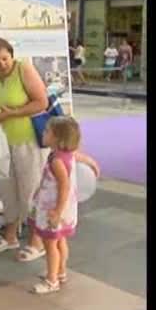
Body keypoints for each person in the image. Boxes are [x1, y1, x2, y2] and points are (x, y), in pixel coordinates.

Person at [0, 37, 49, 262]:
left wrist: (12, 113)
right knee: (7, 190)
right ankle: (10, 235)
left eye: (5, 58)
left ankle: (38, 241)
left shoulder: (23, 69)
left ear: (11, 55)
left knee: (31, 190)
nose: (2, 64)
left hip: (27, 140)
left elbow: (41, 102)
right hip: (2, 144)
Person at [29, 116, 100, 294]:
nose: (42, 133)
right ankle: (60, 272)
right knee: (60, 241)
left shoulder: (57, 161)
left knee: (50, 245)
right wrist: (93, 163)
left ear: (57, 139)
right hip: (63, 209)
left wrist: (56, 212)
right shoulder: (65, 155)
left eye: (46, 131)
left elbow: (64, 187)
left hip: (54, 209)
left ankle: (51, 280)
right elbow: (80, 157)